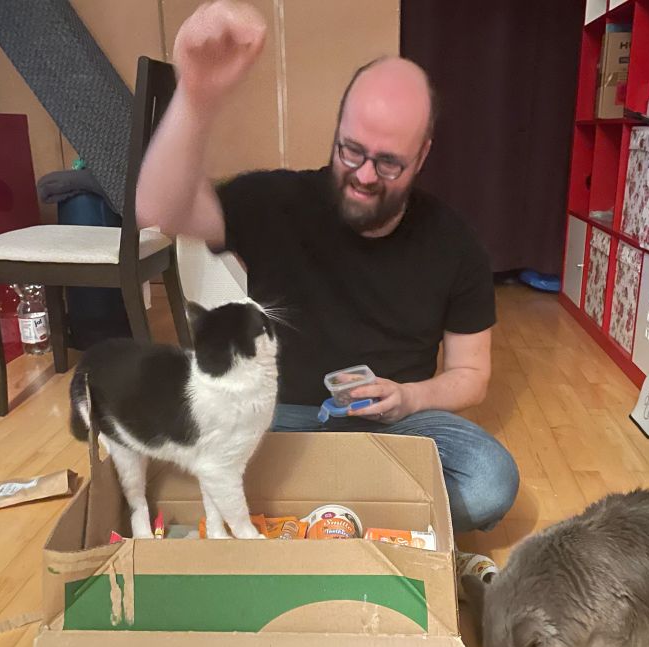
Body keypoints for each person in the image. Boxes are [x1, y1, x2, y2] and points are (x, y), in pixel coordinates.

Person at [136, 0, 518, 534]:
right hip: (278, 416)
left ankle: (301, 505)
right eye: (350, 151)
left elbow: (471, 376)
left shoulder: (456, 244)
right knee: (163, 456)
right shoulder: (278, 200)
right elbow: (160, 208)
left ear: (423, 156)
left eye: (388, 163)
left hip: (396, 424)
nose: (363, 176)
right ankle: (368, 509)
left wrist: (408, 396)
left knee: (489, 482)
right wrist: (196, 96)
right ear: (337, 129)